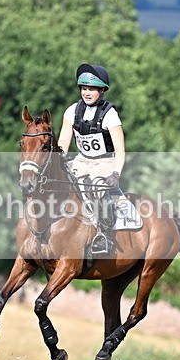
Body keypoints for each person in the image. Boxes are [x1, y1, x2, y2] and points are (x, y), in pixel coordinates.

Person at [58, 63, 126, 255]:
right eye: (84, 89)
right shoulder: (72, 111)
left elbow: (120, 150)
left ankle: (104, 236)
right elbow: (64, 141)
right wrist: (59, 160)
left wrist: (115, 173)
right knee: (56, 181)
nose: (87, 93)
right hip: (81, 160)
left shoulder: (110, 115)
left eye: (92, 89)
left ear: (102, 90)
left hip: (103, 162)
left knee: (96, 188)